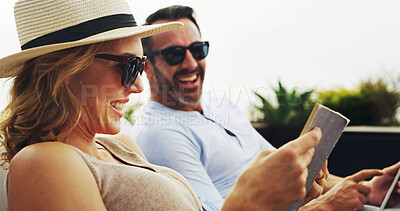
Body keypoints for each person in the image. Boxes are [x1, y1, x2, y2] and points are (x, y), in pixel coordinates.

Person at [0, 0, 331, 210]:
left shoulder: (121, 146)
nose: (140, 84)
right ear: (64, 71)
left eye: (140, 65)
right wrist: (249, 204)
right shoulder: (41, 161)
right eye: (129, 66)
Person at [121, 5, 399, 210]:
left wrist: (369, 191)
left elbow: (290, 174)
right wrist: (324, 207)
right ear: (147, 66)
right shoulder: (159, 134)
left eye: (198, 49)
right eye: (174, 54)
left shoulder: (221, 107)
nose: (191, 63)